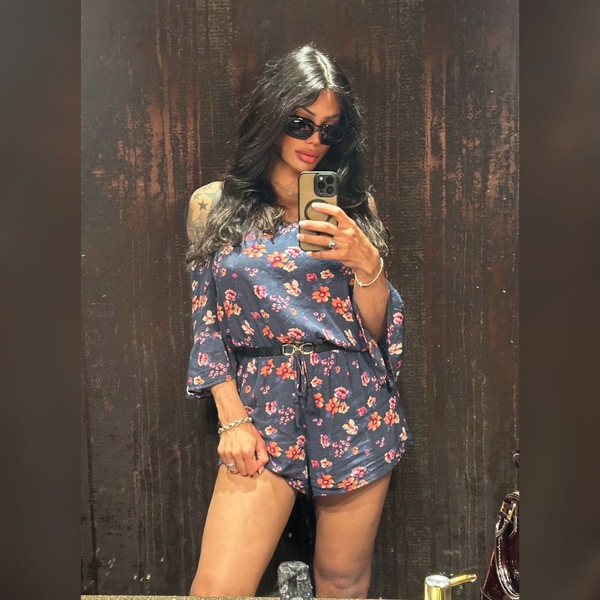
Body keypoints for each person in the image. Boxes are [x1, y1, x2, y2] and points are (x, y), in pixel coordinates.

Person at [185, 44, 411, 598]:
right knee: (217, 589)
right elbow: (206, 321)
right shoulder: (213, 205)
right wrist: (231, 418)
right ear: (272, 117)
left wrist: (368, 265)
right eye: (300, 123)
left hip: (352, 401)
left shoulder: (354, 207)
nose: (314, 141)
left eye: (330, 130)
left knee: (341, 581)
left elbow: (374, 331)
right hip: (262, 407)